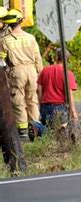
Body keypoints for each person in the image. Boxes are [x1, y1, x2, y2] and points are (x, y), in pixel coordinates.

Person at [0, 9, 42, 137]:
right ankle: (36, 127)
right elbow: (37, 58)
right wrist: (40, 73)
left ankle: (23, 130)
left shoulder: (5, 40)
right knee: (32, 99)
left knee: (18, 99)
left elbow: (2, 60)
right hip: (32, 71)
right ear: (20, 21)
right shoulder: (31, 38)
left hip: (17, 71)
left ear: (8, 23)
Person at [37, 48, 78, 128]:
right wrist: (73, 111)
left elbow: (39, 89)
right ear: (67, 60)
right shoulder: (68, 74)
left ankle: (38, 128)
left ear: (56, 58)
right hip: (60, 107)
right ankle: (61, 128)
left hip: (45, 106)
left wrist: (41, 104)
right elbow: (69, 94)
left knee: (47, 127)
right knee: (63, 127)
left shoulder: (45, 70)